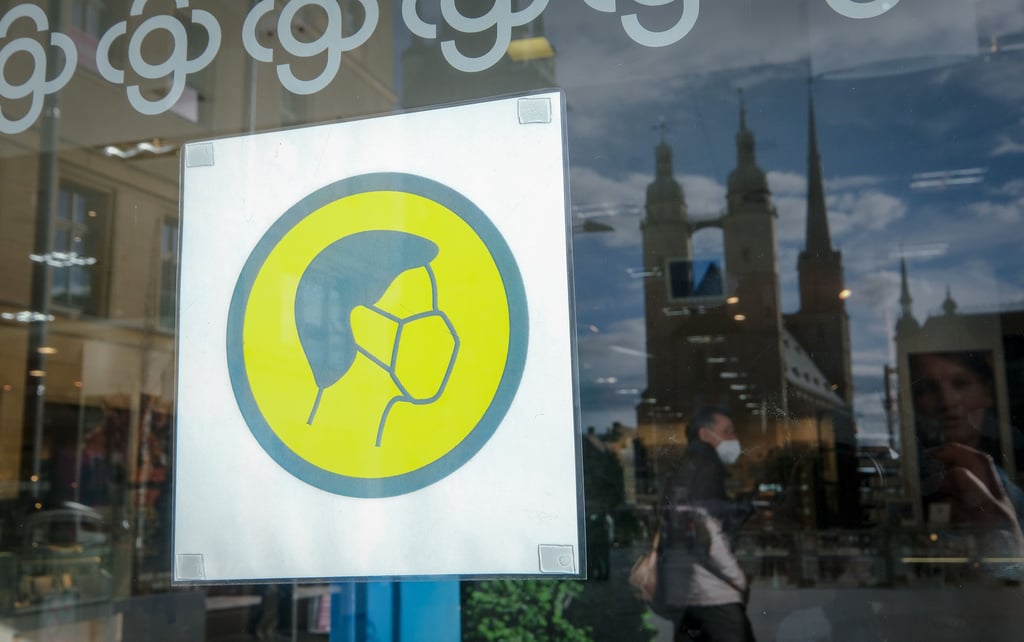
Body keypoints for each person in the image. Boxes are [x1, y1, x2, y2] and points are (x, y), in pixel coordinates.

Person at [911, 352, 1024, 577]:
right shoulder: (912, 488)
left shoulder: (1009, 495)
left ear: (988, 393)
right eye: (928, 388)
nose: (947, 401)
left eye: (961, 383)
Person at [659, 406, 754, 641]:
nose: (734, 439)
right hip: (712, 589)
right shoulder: (706, 468)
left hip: (686, 586)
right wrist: (737, 578)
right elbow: (707, 527)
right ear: (704, 434)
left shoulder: (686, 466)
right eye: (728, 432)